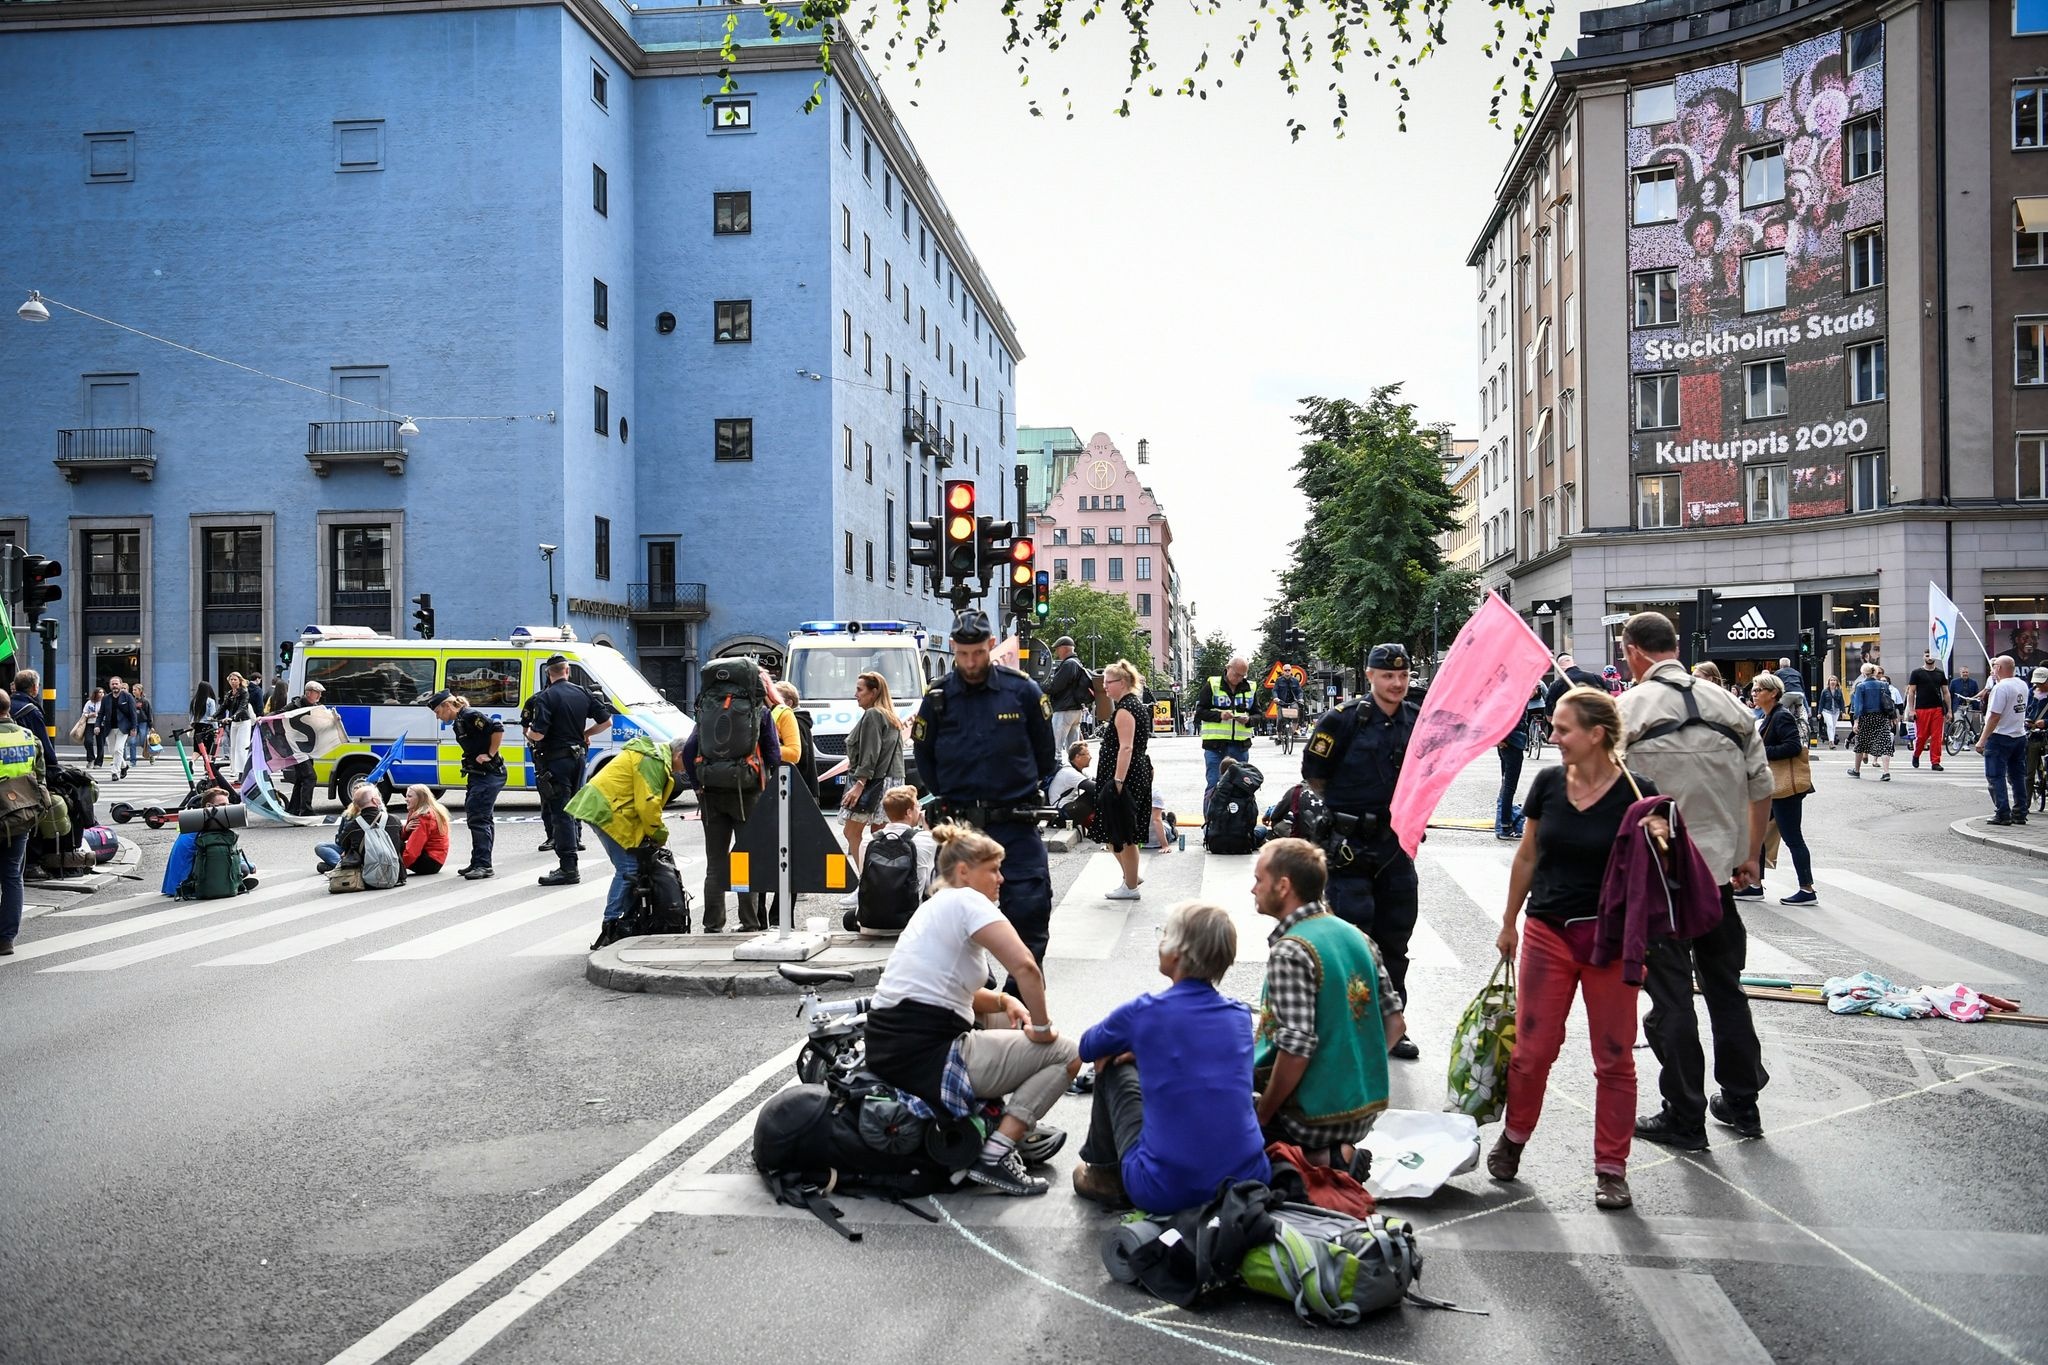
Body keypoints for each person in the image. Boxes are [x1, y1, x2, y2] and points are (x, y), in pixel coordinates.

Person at [1492, 686, 1666, 1211]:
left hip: (1610, 939)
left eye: (1563, 728)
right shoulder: (1547, 782)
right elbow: (1526, 856)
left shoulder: (1639, 792)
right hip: (1548, 930)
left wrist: (1660, 834)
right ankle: (1514, 1137)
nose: (1552, 735)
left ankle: (1612, 1168)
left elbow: (1662, 866)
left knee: (1614, 1058)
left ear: (1596, 735)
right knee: (1531, 1052)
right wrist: (1508, 921)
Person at [1617, 612, 1772, 1150]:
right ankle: (1743, 1103)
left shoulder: (1628, 709)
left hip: (1660, 881)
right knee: (1727, 988)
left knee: (1672, 998)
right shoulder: (1729, 703)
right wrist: (1750, 854)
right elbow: (1762, 785)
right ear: (1676, 647)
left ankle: (1684, 1114)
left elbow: (1606, 793)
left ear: (1633, 651)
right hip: (1720, 880)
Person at [862, 823, 1082, 1196]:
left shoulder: (935, 907)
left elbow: (947, 988)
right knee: (1067, 1054)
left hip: (893, 1047)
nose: (1002, 878)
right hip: (927, 1055)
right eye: (993, 869)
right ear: (963, 872)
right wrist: (1043, 1030)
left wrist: (1002, 999)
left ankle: (1008, 1122)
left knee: (1000, 1016)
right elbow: (1026, 967)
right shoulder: (967, 901)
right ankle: (997, 1152)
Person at [1071, 901, 1272, 1209]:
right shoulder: (1239, 1016)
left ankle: (1105, 1174)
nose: (1160, 943)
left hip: (1164, 1188)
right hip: (1248, 1179)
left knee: (1110, 1065)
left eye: (1164, 936)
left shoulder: (1145, 1012)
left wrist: (1133, 1046)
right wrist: (1145, 1050)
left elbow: (1088, 1047)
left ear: (1178, 954)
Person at [912, 609, 1058, 974]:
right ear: (952, 648)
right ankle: (971, 998)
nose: (970, 661)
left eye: (977, 652)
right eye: (962, 654)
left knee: (1030, 908)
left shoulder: (1022, 690)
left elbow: (1045, 754)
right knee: (948, 918)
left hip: (1015, 822)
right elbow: (924, 756)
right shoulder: (939, 697)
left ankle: (1018, 999)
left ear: (991, 645)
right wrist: (947, 794)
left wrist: (1020, 790)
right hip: (960, 825)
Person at [1301, 641, 1423, 1061]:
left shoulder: (1416, 719)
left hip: (1396, 845)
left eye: (1403, 675)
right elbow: (1314, 773)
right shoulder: (1343, 719)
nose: (1397, 683)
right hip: (1349, 846)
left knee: (1395, 936)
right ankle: (1350, 1026)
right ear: (1370, 676)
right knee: (1354, 940)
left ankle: (1392, 1024)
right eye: (1388, 676)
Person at [1251, 838, 1404, 1165]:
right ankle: (1334, 1151)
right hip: (1363, 1109)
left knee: (1216, 1121)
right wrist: (1350, 1073)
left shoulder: (1291, 950)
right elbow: (1395, 1023)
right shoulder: (1357, 936)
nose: (1253, 889)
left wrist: (1261, 1117)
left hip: (1312, 1118)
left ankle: (1323, 1157)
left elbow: (1296, 1048)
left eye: (1258, 880)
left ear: (1283, 886)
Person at [566, 732, 689, 946]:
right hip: (604, 810)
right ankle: (611, 924)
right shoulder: (654, 761)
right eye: (688, 762)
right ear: (679, 755)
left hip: (611, 809)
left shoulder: (656, 758)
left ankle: (625, 920)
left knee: (632, 868)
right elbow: (647, 804)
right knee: (628, 870)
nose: (687, 769)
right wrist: (659, 834)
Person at [683, 690, 781, 933]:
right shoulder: (760, 712)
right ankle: (749, 922)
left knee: (715, 863)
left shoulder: (708, 710)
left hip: (711, 794)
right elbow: (774, 754)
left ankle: (713, 924)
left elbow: (688, 751)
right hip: (748, 794)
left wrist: (697, 786)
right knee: (745, 859)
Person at [525, 654, 613, 886]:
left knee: (561, 812)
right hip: (579, 757)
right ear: (568, 671)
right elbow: (606, 722)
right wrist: (586, 734)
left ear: (548, 673)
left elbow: (539, 733)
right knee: (574, 806)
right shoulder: (583, 692)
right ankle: (572, 854)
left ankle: (568, 867)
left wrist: (528, 735)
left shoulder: (545, 697)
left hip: (556, 760)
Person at [1747, 674, 1816, 905]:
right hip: (1772, 788)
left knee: (1793, 838)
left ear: (1773, 693)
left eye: (1758, 690)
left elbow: (1793, 746)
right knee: (1754, 834)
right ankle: (1754, 885)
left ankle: (1807, 890)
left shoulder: (1781, 717)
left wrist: (1761, 752)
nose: (1754, 693)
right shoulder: (1768, 716)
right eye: (1754, 690)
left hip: (1785, 790)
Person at [1091, 660, 1154, 901]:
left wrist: (1117, 781)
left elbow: (1126, 748)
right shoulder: (1130, 705)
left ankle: (1130, 886)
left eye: (1109, 682)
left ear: (1123, 683)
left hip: (1124, 776)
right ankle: (1131, 876)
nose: (1105, 686)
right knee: (1115, 830)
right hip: (1129, 773)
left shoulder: (1126, 709)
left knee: (1124, 832)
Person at [430, 689, 506, 880]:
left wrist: (490, 754)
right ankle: (478, 861)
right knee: (481, 817)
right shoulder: (460, 722)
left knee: (478, 818)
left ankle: (484, 865)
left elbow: (497, 728)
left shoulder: (470, 716)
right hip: (477, 774)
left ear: (447, 705)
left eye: (438, 712)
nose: (438, 717)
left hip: (489, 773)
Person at [840, 670, 906, 875]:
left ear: (874, 692)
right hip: (891, 781)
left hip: (873, 782)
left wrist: (859, 785)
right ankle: (879, 882)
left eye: (860, 689)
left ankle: (865, 882)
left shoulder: (873, 715)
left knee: (852, 832)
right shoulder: (890, 716)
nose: (855, 694)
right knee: (880, 836)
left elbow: (870, 753)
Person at [1, 691, 51, 955]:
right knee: (11, 876)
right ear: (8, 709)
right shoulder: (28, 738)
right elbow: (40, 776)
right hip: (21, 815)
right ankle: (6, 938)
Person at [1194, 655, 1257, 814]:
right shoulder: (1213, 684)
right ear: (1228, 668)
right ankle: (1210, 828)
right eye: (1236, 674)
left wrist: (1249, 719)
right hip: (1215, 746)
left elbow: (1259, 715)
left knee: (1242, 786)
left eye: (1243, 675)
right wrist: (1219, 716)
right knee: (1214, 785)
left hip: (1240, 747)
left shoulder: (1250, 687)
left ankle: (1240, 826)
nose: (1239, 678)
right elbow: (1200, 712)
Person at [1977, 655, 2032, 827]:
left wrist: (1982, 740)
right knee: (2017, 776)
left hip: (2000, 736)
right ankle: (2020, 812)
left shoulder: (2001, 688)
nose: (1992, 669)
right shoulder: (2022, 684)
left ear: (1999, 668)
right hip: (2018, 734)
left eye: (1994, 666)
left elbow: (1994, 716)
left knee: (1995, 776)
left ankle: (2002, 813)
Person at [315, 783, 406, 880]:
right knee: (321, 847)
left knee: (349, 852)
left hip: (366, 876)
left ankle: (342, 866)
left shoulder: (353, 825)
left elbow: (342, 842)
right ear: (375, 800)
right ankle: (339, 864)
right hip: (396, 875)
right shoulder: (394, 820)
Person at [1494, 684, 1539, 841]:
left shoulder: (1513, 695)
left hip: (1507, 743)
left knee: (1506, 785)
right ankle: (1505, 825)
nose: (1537, 689)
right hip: (1512, 743)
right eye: (1535, 686)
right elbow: (1507, 719)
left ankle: (1503, 823)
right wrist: (1501, 737)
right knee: (1509, 787)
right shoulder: (1517, 697)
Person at [282, 679, 326, 815]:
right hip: (295, 748)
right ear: (308, 693)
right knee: (310, 777)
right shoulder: (294, 706)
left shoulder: (317, 707)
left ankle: (293, 810)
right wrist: (263, 719)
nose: (319, 696)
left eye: (320, 693)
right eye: (317, 693)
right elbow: (279, 714)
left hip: (307, 748)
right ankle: (306, 810)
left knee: (301, 779)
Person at [1044, 637, 1093, 754]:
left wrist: (1036, 686)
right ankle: (1074, 769)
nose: (1056, 652)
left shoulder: (1069, 664)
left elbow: (1055, 686)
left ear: (1064, 648)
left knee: (1055, 748)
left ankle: (1056, 770)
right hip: (1075, 710)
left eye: (1057, 649)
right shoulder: (1077, 663)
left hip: (1064, 709)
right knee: (1073, 749)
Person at [1847, 661, 1895, 780]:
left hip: (1866, 717)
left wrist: (1856, 721)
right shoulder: (1883, 685)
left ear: (1863, 673)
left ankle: (1857, 770)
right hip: (1881, 717)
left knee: (1861, 743)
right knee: (1884, 743)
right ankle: (1886, 772)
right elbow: (1889, 702)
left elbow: (1858, 705)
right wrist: (1891, 716)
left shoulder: (1861, 686)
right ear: (1874, 672)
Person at [774, 682, 819, 802]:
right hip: (805, 788)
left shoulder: (794, 722)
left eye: (776, 698)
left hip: (800, 788)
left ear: (789, 703)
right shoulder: (802, 720)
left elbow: (798, 755)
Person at [1905, 652, 1950, 771]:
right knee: (1921, 736)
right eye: (1926, 655)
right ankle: (1916, 754)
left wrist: (1949, 710)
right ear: (1923, 657)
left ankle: (1935, 761)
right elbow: (1911, 692)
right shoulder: (1916, 673)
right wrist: (1911, 710)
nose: (1929, 658)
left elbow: (1945, 692)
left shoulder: (1940, 673)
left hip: (1937, 708)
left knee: (1937, 736)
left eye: (1931, 655)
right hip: (1921, 708)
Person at [399, 785, 453, 875]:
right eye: (406, 796)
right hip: (436, 860)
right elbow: (405, 837)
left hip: (430, 862)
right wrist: (406, 829)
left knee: (392, 842)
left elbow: (413, 850)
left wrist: (399, 869)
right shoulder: (423, 810)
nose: (406, 799)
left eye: (409, 796)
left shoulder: (424, 817)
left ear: (420, 798)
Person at [10, 670, 57, 768]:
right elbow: (44, 744)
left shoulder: (6, 705)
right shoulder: (32, 711)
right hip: (24, 768)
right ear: (35, 688)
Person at [97, 676, 139, 782]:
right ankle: (124, 766)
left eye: (116, 684)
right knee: (112, 751)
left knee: (118, 749)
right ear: (110, 685)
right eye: (112, 684)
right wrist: (97, 725)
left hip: (123, 728)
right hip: (109, 728)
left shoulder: (128, 697)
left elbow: (133, 713)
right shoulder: (106, 698)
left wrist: (134, 727)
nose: (114, 686)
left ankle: (114, 772)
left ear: (121, 684)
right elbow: (101, 713)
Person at [221, 671, 256, 780]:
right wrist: (214, 716)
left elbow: (242, 707)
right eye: (231, 679)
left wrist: (232, 717)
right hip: (234, 723)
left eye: (235, 679)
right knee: (234, 748)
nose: (233, 681)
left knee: (241, 748)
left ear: (240, 681)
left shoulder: (244, 692)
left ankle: (243, 773)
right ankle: (235, 770)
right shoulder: (230, 694)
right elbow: (223, 706)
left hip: (243, 721)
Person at [2025, 667, 2048, 815]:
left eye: (2042, 682)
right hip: (2032, 734)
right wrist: (2027, 721)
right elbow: (2025, 710)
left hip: (2046, 733)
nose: (2039, 685)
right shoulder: (2030, 692)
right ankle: (2024, 804)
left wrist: (2045, 722)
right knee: (2029, 771)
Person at [1047, 739, 1091, 810]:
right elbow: (1094, 787)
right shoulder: (1069, 772)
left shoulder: (1076, 770)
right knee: (1092, 796)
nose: (1090, 757)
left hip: (1067, 806)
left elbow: (1095, 780)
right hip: (1060, 810)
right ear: (1077, 757)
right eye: (1088, 754)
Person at [1817, 677, 1845, 748]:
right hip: (1827, 710)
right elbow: (1821, 702)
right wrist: (1819, 712)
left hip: (1836, 711)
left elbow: (1841, 702)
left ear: (1837, 682)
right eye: (1831, 680)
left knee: (1833, 726)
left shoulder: (1839, 691)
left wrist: (1843, 712)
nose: (1833, 682)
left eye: (1834, 680)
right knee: (1830, 725)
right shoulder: (1825, 691)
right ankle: (1831, 742)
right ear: (1829, 682)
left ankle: (1832, 740)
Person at [132, 684, 156, 765]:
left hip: (143, 723)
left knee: (143, 742)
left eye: (135, 690)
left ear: (140, 691)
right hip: (134, 723)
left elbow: (149, 714)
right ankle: (133, 761)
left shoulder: (145, 701)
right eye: (133, 690)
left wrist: (151, 726)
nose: (133, 691)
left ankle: (151, 754)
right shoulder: (131, 700)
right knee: (132, 742)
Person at [80, 688, 104, 767]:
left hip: (101, 724)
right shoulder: (89, 703)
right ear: (95, 694)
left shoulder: (104, 703)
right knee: (88, 741)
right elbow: (84, 713)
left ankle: (98, 763)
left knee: (100, 743)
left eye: (102, 692)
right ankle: (91, 759)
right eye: (99, 692)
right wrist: (89, 715)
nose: (101, 694)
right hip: (90, 723)